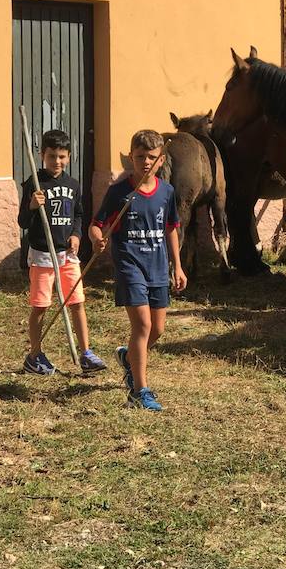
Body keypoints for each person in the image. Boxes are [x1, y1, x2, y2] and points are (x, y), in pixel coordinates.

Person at [90, 129, 187, 411]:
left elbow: (171, 229)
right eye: (140, 156)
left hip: (158, 268)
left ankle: (129, 358)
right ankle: (139, 391)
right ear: (131, 156)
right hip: (130, 266)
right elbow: (96, 225)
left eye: (152, 157)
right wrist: (97, 239)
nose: (146, 162)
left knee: (157, 329)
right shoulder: (120, 192)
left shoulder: (166, 192)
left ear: (161, 160)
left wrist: (177, 266)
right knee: (142, 325)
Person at [18, 129, 105, 376]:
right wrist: (32, 206)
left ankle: (86, 353)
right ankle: (34, 356)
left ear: (69, 156)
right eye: (52, 156)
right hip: (43, 255)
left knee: (77, 302)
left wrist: (77, 235)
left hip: (68, 255)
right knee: (41, 306)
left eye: (62, 157)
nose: (57, 162)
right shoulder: (33, 184)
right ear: (42, 155)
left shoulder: (73, 185)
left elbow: (78, 214)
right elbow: (23, 221)